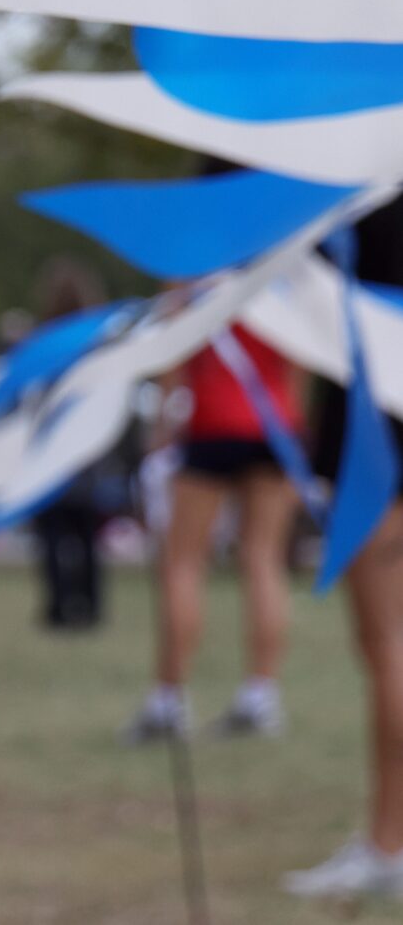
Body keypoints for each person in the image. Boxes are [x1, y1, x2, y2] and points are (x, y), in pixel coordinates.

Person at [287, 198, 403, 900]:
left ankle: (388, 840)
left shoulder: (348, 181)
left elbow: (304, 311)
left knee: (387, 642)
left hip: (374, 431)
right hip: (371, 423)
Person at [124, 306, 303, 744]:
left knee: (183, 560)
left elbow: (174, 348)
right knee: (264, 558)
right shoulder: (283, 265)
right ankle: (261, 693)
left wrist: (164, 425)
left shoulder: (198, 262)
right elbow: (301, 356)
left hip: (211, 423)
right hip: (275, 425)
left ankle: (169, 698)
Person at [28, 259, 121, 633]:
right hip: (90, 451)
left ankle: (59, 606)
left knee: (52, 536)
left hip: (50, 453)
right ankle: (91, 605)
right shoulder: (101, 342)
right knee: (88, 537)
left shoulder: (43, 342)